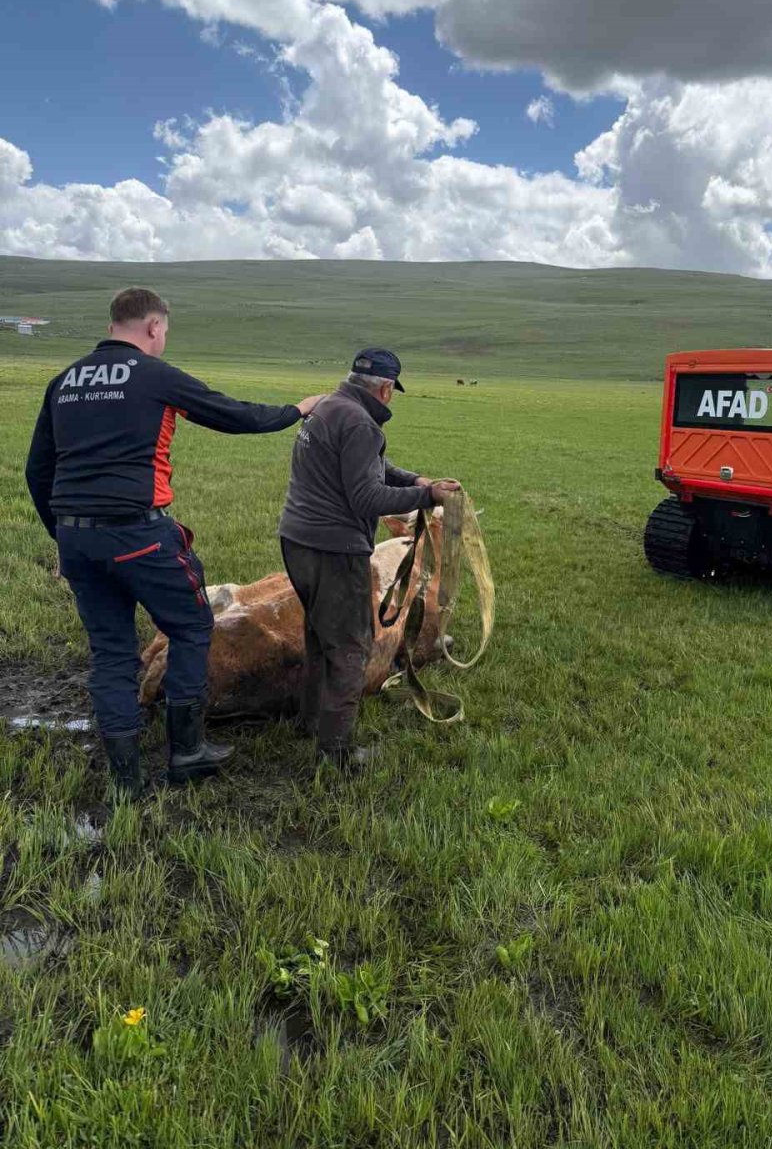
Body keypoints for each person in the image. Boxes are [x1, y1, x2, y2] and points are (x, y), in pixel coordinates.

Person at [24, 287, 323, 798]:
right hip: (139, 532)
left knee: (111, 652)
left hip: (77, 536)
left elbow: (38, 471)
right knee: (190, 626)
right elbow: (235, 416)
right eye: (164, 331)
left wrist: (66, 538)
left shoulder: (64, 381)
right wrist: (297, 409)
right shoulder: (155, 375)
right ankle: (186, 751)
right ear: (154, 327)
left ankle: (125, 778)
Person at [278, 348, 460, 768]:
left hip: (297, 539)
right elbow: (367, 497)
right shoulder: (360, 424)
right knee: (349, 647)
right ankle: (335, 755)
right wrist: (427, 496)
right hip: (333, 549)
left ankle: (311, 721)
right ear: (384, 389)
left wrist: (415, 479)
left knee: (319, 635)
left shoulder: (328, 407)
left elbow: (372, 466)